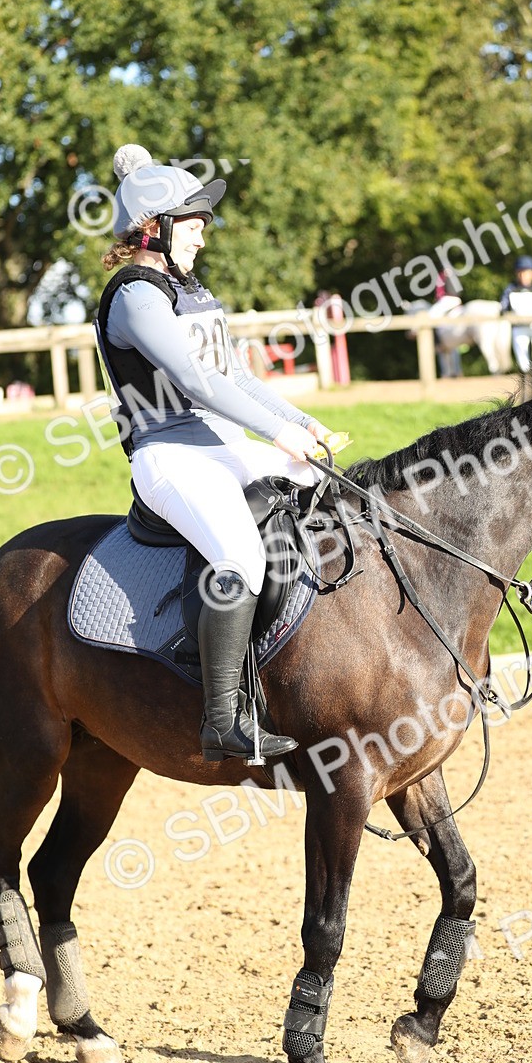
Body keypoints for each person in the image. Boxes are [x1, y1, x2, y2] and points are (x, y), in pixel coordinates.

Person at [97, 144, 336, 764]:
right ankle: (223, 719)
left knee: (318, 489)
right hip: (169, 455)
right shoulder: (135, 296)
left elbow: (234, 374)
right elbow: (200, 384)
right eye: (195, 224)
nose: (203, 237)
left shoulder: (190, 289)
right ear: (157, 226)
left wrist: (300, 423)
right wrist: (276, 436)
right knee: (241, 557)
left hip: (219, 443)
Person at [499, 256, 532, 374]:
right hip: (519, 327)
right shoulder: (510, 289)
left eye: (527, 273)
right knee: (523, 362)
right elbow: (503, 308)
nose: (523, 276)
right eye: (521, 272)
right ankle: (526, 390)